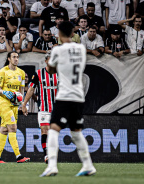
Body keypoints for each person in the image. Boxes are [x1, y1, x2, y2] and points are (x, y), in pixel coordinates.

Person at [40, 21, 96, 177]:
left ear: (58, 33)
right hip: (79, 96)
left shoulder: (58, 50)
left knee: (53, 130)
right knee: (76, 132)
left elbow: (50, 70)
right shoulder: (81, 49)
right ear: (73, 33)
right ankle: (88, 165)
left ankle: (51, 166)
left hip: (65, 95)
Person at [0, 51, 30, 163]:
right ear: (9, 59)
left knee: (4, 130)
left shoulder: (21, 73)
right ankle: (19, 156)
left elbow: (21, 90)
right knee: (13, 128)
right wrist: (5, 92)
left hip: (14, 105)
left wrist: (22, 103)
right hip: (3, 104)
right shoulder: (2, 72)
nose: (16, 59)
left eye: (17, 57)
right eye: (14, 57)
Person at [22, 52, 58, 164]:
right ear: (46, 61)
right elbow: (31, 89)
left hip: (57, 109)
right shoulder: (38, 74)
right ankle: (46, 155)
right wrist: (24, 104)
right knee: (44, 130)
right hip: (44, 108)